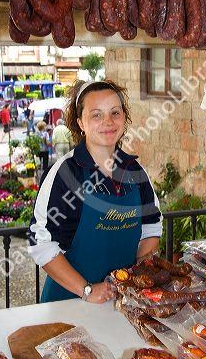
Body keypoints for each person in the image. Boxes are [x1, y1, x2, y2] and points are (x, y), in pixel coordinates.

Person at [28, 80, 162, 304]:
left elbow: (151, 227)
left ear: (124, 117)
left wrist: (133, 279)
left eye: (115, 113)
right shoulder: (66, 174)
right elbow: (41, 243)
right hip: (70, 303)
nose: (108, 122)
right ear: (81, 122)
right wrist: (87, 290)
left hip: (121, 303)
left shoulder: (135, 171)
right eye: (96, 115)